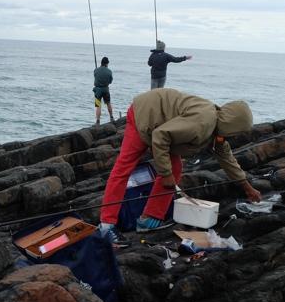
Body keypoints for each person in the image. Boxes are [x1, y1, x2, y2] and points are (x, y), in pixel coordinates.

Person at [97, 88, 262, 246]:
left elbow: (227, 158)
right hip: (144, 113)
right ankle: (106, 226)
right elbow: (160, 135)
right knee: (123, 168)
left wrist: (247, 187)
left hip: (163, 125)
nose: (236, 136)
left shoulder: (217, 130)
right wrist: (165, 173)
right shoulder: (201, 123)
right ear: (232, 125)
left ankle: (148, 219)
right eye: (237, 132)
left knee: (174, 168)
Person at [93, 56, 115, 125]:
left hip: (98, 90)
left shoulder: (96, 70)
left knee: (98, 105)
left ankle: (98, 121)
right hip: (106, 89)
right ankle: (111, 117)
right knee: (108, 103)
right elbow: (110, 81)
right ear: (106, 64)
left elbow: (95, 77)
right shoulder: (109, 71)